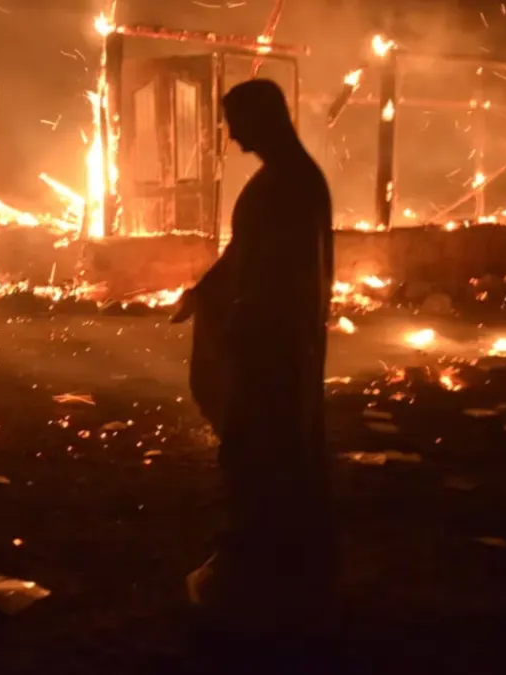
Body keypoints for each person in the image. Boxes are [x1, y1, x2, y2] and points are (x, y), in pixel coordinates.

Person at [171, 79, 336, 634]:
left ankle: (265, 578)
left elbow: (278, 274)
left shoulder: (290, 185)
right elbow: (243, 255)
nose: (232, 134)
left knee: (266, 453)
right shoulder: (285, 181)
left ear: (264, 119)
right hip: (273, 345)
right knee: (263, 454)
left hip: (275, 351)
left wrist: (246, 322)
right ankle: (272, 567)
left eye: (236, 120)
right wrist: (206, 292)